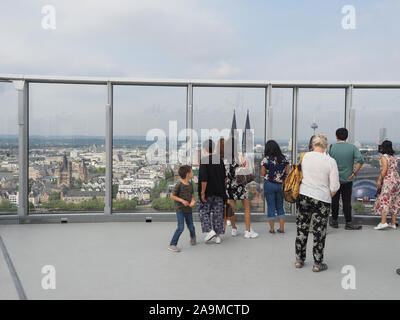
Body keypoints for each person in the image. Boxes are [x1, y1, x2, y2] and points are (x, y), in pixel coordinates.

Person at [295, 134, 340, 272]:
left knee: (302, 228)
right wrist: (327, 193)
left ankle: (299, 260)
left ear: (313, 144)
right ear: (325, 145)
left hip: (304, 195)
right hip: (321, 198)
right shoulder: (330, 161)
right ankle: (317, 263)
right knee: (319, 231)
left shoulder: (305, 157)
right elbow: (334, 186)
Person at [329, 128, 364, 230]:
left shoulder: (332, 147)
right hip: (347, 179)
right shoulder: (352, 148)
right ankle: (348, 223)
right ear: (347, 137)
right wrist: (354, 173)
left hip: (334, 179)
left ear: (336, 136)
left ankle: (334, 221)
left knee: (334, 201)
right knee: (346, 201)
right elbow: (360, 161)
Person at [224, 137, 258, 238]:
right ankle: (247, 231)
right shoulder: (239, 157)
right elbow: (246, 170)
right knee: (246, 208)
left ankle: (234, 229)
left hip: (230, 186)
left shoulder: (225, 159)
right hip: (241, 186)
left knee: (231, 209)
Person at [198, 139, 226, 244]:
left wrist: (202, 193)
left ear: (204, 149)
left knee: (203, 211)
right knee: (218, 214)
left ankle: (210, 231)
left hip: (208, 192)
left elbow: (204, 179)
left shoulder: (204, 160)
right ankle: (218, 237)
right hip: (219, 191)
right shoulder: (219, 160)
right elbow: (224, 178)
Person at [261, 140, 290, 233]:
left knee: (271, 206)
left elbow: (262, 172)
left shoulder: (266, 159)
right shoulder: (284, 158)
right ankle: (281, 228)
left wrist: (269, 173)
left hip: (269, 184)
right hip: (280, 185)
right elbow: (287, 172)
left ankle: (272, 229)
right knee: (280, 206)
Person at [168, 165, 196, 252]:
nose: (193, 173)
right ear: (188, 174)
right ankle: (172, 244)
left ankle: (193, 237)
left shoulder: (191, 184)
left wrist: (192, 201)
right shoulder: (178, 184)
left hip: (188, 209)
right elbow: (172, 195)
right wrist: (182, 201)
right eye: (192, 171)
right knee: (181, 227)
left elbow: (192, 195)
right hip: (180, 209)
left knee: (191, 226)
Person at [373, 140, 400, 230]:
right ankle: (393, 223)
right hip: (396, 179)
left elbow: (384, 170)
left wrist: (379, 180)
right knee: (395, 200)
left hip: (388, 180)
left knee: (385, 199)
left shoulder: (384, 157)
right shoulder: (394, 157)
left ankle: (383, 222)